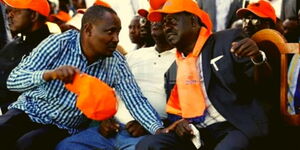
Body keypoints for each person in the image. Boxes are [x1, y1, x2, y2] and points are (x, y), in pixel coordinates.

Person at [0, 5, 164, 150]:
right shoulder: (59, 43)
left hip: (61, 127)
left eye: (118, 32)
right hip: (27, 110)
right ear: (88, 30)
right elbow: (14, 80)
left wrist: (158, 130)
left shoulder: (116, 61)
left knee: (27, 144)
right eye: (110, 32)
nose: (116, 39)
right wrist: (48, 74)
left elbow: (134, 99)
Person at [136, 0, 271, 149]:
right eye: (164, 23)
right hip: (196, 135)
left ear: (193, 21)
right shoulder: (172, 70)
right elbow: (176, 113)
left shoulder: (227, 41)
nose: (166, 28)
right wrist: (180, 123)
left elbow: (264, 86)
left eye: (172, 21)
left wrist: (257, 58)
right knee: (147, 145)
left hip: (234, 126)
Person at [55, 8, 175, 150]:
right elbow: (107, 90)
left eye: (163, 17)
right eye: (152, 17)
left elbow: (180, 109)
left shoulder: (182, 61)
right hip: (110, 128)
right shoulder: (131, 56)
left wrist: (153, 127)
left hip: (147, 132)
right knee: (66, 146)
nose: (156, 21)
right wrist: (104, 119)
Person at [0, 0, 51, 114]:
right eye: (8, 11)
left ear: (33, 15)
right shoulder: (14, 43)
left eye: (15, 11)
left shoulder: (50, 48)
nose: (9, 15)